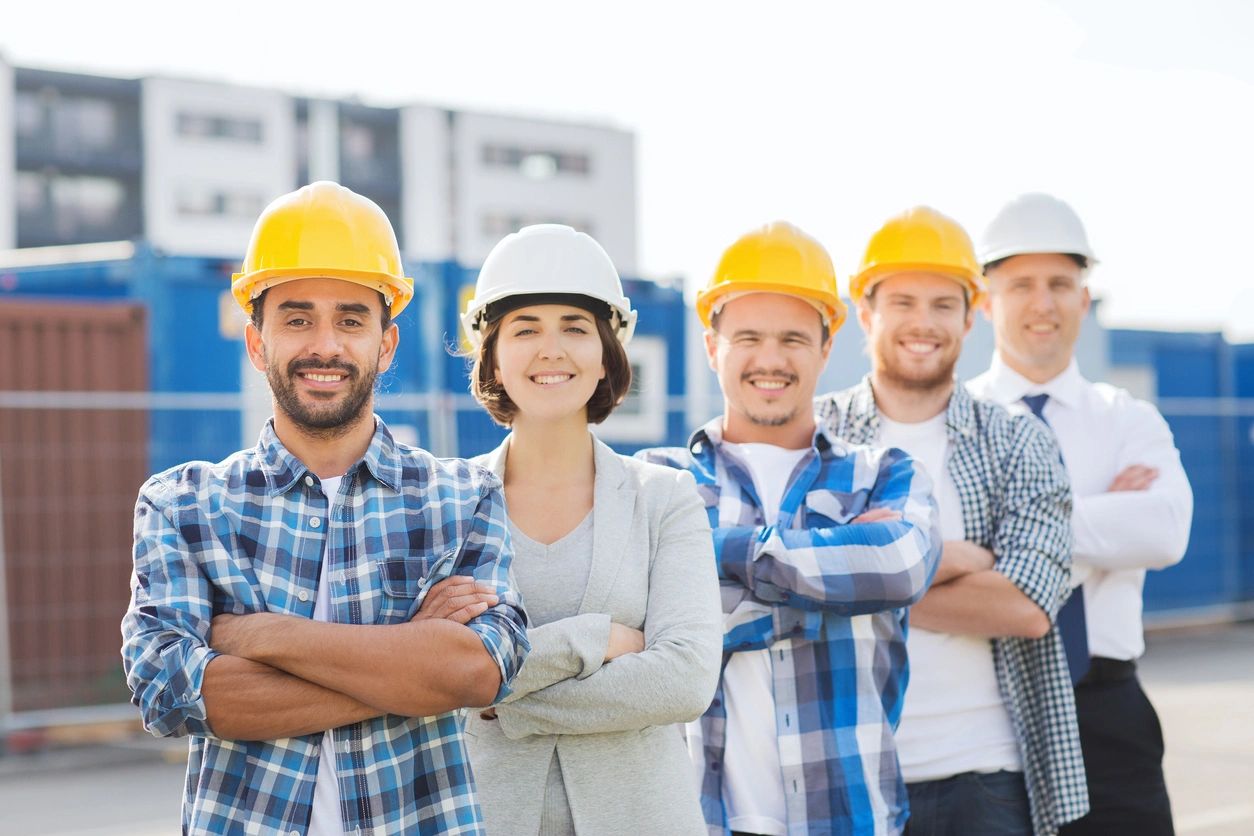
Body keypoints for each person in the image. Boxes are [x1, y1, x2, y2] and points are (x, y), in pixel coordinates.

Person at [120, 181, 529, 835]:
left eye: (350, 319)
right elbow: (173, 693)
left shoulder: (461, 498)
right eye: (297, 317)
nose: (326, 345)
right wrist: (406, 664)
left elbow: (478, 672)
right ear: (257, 343)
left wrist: (261, 636)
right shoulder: (183, 506)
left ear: (385, 344)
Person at [640, 221, 941, 836]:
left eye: (794, 339)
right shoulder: (656, 479)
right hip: (697, 822)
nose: (771, 360)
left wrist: (712, 554)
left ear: (827, 349)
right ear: (711, 345)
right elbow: (646, 632)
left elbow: (901, 566)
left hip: (852, 819)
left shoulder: (882, 472)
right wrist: (836, 592)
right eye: (748, 336)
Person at [817, 206, 1090, 835]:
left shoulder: (1018, 439)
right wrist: (959, 559)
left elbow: (1026, 607)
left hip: (985, 776)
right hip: (843, 771)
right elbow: (784, 583)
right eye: (903, 302)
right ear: (865, 312)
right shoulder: (817, 435)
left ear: (971, 317)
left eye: (943, 304)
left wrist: (856, 575)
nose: (923, 323)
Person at [458, 223, 722, 835]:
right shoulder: (448, 502)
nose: (552, 350)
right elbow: (430, 673)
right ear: (493, 355)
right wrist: (593, 638)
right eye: (526, 329)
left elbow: (683, 680)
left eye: (575, 328)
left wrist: (500, 700)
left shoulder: (665, 499)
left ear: (606, 353)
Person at [970, 193, 1192, 835]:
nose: (1043, 303)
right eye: (1022, 285)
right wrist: (1103, 518)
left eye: (1060, 284)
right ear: (986, 302)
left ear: (1084, 299)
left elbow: (1165, 530)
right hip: (984, 708)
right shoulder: (954, 423)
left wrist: (1002, 540)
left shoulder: (1128, 418)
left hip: (1108, 713)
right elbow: (934, 551)